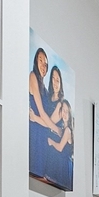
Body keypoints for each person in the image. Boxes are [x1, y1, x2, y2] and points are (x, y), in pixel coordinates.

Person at [28, 48, 61, 179]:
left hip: (42, 135)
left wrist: (36, 118)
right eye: (40, 60)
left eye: (45, 63)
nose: (43, 65)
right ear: (35, 61)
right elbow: (42, 112)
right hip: (35, 133)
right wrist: (56, 129)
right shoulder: (32, 76)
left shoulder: (46, 91)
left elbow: (47, 120)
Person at [44, 99, 74, 188]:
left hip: (64, 166)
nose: (64, 113)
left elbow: (60, 148)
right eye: (63, 110)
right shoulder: (63, 129)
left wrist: (51, 142)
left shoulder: (67, 130)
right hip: (61, 164)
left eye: (66, 111)